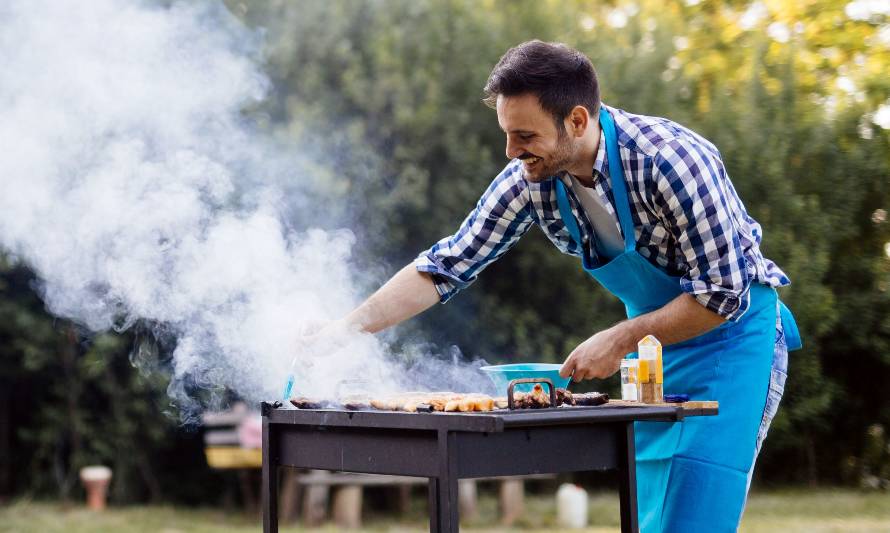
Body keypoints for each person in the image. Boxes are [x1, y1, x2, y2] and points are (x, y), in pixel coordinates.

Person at [322, 40, 801, 532]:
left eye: (524, 135)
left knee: (694, 515)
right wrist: (349, 328)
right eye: (507, 134)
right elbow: (448, 264)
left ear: (576, 120)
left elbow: (722, 294)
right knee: (648, 514)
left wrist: (619, 339)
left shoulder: (672, 162)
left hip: (734, 342)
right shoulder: (532, 178)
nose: (511, 151)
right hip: (657, 358)